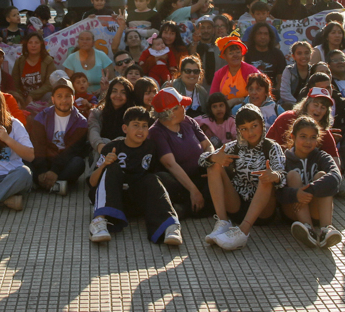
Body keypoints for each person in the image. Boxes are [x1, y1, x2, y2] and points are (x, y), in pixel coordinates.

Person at [88, 104, 183, 245]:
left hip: (136, 200)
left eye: (144, 126)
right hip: (113, 198)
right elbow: (92, 182)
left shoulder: (150, 147)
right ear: (125, 128)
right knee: (112, 167)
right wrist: (104, 165)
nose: (140, 130)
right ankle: (99, 221)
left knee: (153, 178)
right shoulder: (112, 147)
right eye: (136, 125)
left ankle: (170, 226)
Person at [198, 104, 284, 251]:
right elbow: (201, 160)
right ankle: (223, 222)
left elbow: (282, 175)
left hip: (263, 211)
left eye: (254, 126)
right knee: (213, 165)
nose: (250, 132)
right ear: (238, 130)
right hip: (237, 206)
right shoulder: (234, 147)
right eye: (244, 128)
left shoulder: (272, 147)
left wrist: (275, 175)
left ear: (262, 124)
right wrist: (214, 157)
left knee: (266, 177)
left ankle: (243, 232)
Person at [149, 87, 215, 216]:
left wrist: (210, 164)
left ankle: (186, 209)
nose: (185, 108)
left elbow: (208, 145)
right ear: (171, 112)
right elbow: (170, 164)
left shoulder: (188, 121)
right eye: (181, 106)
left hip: (200, 174)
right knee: (162, 178)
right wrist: (193, 190)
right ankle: (194, 207)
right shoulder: (156, 132)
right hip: (180, 183)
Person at [26, 77, 88, 196]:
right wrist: (42, 171)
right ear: (53, 99)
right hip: (44, 160)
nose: (64, 100)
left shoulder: (81, 122)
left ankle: (41, 183)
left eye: (67, 96)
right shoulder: (41, 117)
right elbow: (38, 146)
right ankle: (56, 184)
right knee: (24, 159)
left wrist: (54, 171)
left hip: (64, 163)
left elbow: (72, 150)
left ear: (73, 98)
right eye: (59, 96)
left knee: (78, 163)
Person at [210, 33, 258, 108]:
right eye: (231, 53)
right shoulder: (219, 74)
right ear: (224, 56)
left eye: (238, 52)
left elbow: (259, 95)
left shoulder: (251, 71)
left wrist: (235, 101)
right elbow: (213, 98)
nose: (235, 55)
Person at [12, 32, 57, 110]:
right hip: (23, 97)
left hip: (42, 96)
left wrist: (32, 95)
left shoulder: (48, 61)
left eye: (36, 43)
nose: (33, 45)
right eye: (30, 43)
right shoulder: (19, 61)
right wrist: (20, 99)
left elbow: (50, 84)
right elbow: (14, 83)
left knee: (51, 95)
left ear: (41, 45)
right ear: (26, 45)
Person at [61, 30, 113, 97]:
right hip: (79, 97)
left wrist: (102, 90)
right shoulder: (71, 59)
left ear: (93, 43)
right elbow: (68, 84)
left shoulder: (102, 56)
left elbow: (112, 79)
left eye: (88, 39)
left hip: (103, 95)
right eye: (82, 39)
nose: (84, 42)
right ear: (78, 42)